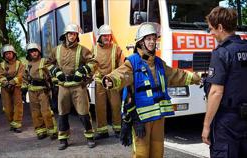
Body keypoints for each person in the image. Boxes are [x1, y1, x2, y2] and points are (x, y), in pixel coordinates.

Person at [102, 23, 201, 158]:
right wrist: (110, 80)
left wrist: (197, 77)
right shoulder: (133, 62)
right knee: (142, 154)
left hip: (159, 118)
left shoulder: (159, 63)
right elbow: (121, 74)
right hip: (142, 119)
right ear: (141, 42)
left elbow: (176, 75)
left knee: (157, 152)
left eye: (154, 39)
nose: (152, 42)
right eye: (148, 39)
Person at [202, 6, 247, 158]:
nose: (211, 34)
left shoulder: (222, 53)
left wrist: (206, 126)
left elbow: (216, 92)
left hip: (226, 123)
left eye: (211, 29)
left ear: (220, 27)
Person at [46, 23, 97, 150]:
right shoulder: (57, 50)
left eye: (74, 34)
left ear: (76, 36)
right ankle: (63, 139)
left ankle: (89, 137)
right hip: (63, 87)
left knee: (84, 112)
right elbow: (47, 63)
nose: (72, 36)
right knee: (62, 114)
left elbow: (93, 62)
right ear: (65, 35)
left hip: (78, 87)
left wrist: (82, 71)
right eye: (70, 34)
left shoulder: (82, 49)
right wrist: (56, 72)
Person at [92, 24, 125, 139]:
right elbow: (90, 65)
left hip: (112, 82)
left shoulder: (116, 48)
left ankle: (117, 129)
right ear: (100, 37)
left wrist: (118, 77)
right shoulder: (94, 49)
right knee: (100, 107)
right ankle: (102, 131)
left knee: (116, 105)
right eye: (104, 36)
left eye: (109, 36)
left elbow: (122, 65)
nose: (107, 38)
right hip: (99, 82)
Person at [23, 43, 57, 140]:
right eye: (31, 51)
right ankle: (40, 131)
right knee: (35, 113)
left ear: (39, 52)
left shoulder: (44, 61)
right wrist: (23, 90)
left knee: (46, 111)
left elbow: (52, 74)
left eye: (35, 51)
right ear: (29, 53)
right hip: (32, 91)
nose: (34, 53)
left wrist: (54, 85)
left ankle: (52, 131)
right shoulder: (28, 65)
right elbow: (25, 79)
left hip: (43, 91)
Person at [0, 44, 24, 133]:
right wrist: (5, 82)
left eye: (10, 53)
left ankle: (17, 124)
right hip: (5, 88)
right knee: (7, 108)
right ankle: (12, 123)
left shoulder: (19, 64)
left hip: (16, 87)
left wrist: (12, 82)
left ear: (13, 53)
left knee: (18, 106)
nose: (8, 55)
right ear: (3, 55)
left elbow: (21, 74)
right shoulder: (1, 65)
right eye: (6, 53)